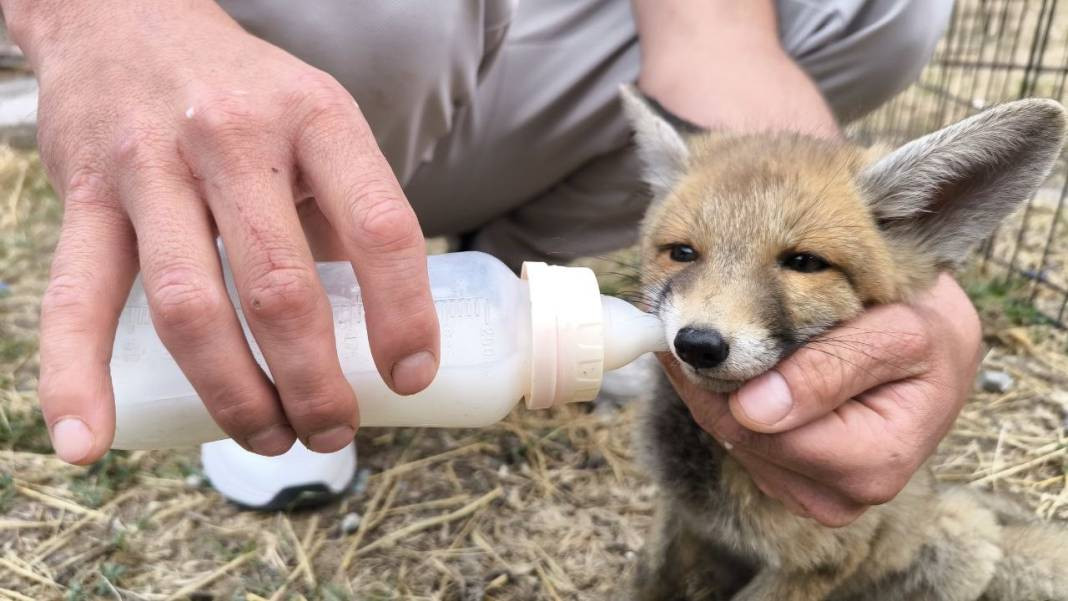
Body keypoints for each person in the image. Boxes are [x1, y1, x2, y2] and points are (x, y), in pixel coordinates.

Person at [5, 0, 973, 524]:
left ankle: (507, 264)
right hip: (224, 35)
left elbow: (713, 28)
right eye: (681, 255)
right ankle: (264, 277)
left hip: (503, 48)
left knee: (877, 9)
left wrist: (875, 248)